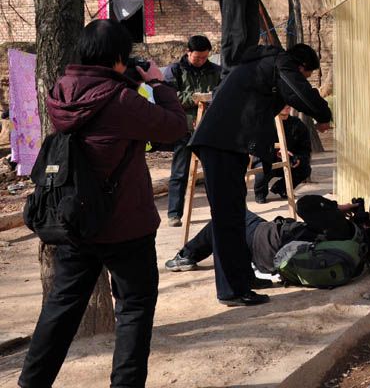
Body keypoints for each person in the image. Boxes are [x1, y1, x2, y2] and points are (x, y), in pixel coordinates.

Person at [19, 21, 187, 388]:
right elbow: (176, 128)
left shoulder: (61, 90)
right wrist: (158, 83)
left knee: (60, 310)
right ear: (118, 57)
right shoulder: (122, 99)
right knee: (134, 309)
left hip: (75, 221)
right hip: (126, 224)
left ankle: (31, 384)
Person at [188, 43, 332, 307]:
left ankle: (243, 278)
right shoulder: (279, 62)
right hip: (220, 144)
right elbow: (299, 91)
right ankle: (231, 290)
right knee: (227, 220)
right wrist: (323, 114)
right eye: (305, 74)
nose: (302, 79)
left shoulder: (265, 64)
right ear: (300, 66)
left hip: (228, 144)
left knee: (234, 215)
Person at [165, 195, 370, 282]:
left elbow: (304, 204)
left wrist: (339, 209)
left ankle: (186, 256)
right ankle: (190, 255)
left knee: (226, 216)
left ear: (366, 225)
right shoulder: (357, 259)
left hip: (265, 242)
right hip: (278, 257)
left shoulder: (342, 228)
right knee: (238, 221)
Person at [163, 35, 221, 227]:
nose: (201, 61)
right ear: (188, 52)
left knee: (213, 172)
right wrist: (194, 99)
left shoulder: (216, 71)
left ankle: (219, 210)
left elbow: (221, 95)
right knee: (180, 172)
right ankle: (174, 213)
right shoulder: (175, 70)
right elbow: (170, 96)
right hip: (184, 128)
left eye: (205, 58)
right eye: (197, 58)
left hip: (208, 130)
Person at [252, 105, 313, 203]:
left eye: (288, 103)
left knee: (305, 169)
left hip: (289, 160)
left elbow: (305, 149)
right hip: (267, 159)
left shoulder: (298, 124)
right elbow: (255, 145)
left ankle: (281, 188)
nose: (287, 105)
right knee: (262, 170)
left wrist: (297, 158)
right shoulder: (265, 122)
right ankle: (260, 192)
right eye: (282, 103)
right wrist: (276, 151)